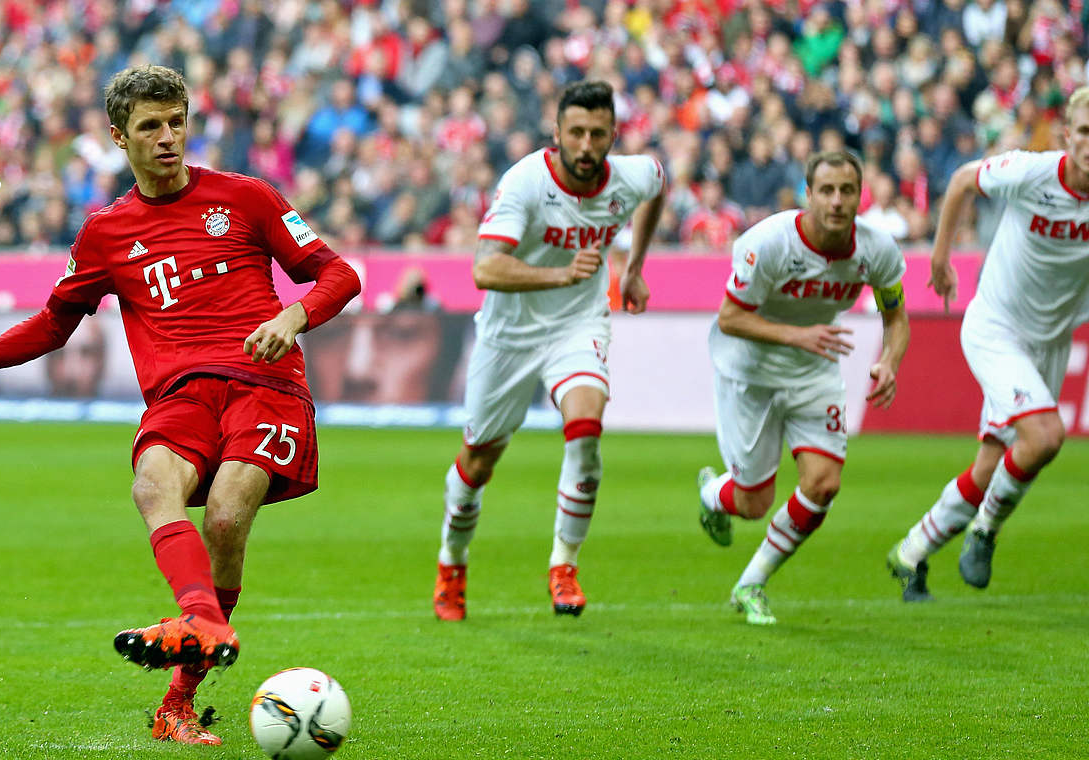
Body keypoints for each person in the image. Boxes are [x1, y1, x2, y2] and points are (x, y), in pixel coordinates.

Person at [0, 65, 360, 745]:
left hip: (266, 380)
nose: (169, 137)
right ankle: (202, 624)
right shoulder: (105, 233)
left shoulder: (248, 197)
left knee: (229, 517)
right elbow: (55, 323)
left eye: (178, 121)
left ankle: (181, 691)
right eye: (151, 126)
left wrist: (291, 318)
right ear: (120, 137)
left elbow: (339, 273)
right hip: (181, 394)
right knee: (152, 485)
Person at [432, 80, 667, 621]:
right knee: (478, 461)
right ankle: (453, 561)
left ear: (612, 136)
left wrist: (634, 268)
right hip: (508, 337)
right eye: (577, 132)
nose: (586, 145)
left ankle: (564, 565)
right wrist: (562, 272)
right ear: (557, 132)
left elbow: (658, 186)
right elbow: (484, 269)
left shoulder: (631, 176)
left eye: (598, 134)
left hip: (577, 326)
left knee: (586, 426)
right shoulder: (525, 182)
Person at [886, 86, 1089, 601]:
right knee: (1044, 438)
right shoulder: (1032, 172)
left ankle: (909, 553)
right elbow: (959, 182)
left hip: (1050, 341)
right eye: (1086, 132)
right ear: (1069, 135)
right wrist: (939, 257)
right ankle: (985, 531)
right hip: (996, 328)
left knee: (990, 464)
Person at [694, 150, 910, 626]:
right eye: (827, 191)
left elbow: (896, 318)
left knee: (824, 483)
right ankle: (713, 495)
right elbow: (730, 318)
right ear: (807, 195)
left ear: (859, 196)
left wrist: (889, 361)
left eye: (847, 191)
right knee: (753, 503)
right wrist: (799, 335)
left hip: (813, 371)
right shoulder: (768, 243)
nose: (837, 201)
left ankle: (751, 584)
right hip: (749, 370)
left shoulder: (877, 250)